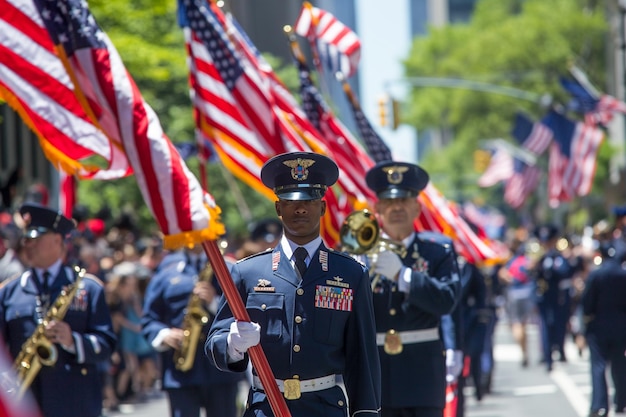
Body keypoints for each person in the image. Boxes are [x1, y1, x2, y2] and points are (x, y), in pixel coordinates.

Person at [206, 151, 381, 417]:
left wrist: (366, 413)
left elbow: (363, 358)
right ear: (278, 209)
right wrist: (233, 344)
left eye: (310, 200)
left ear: (322, 208)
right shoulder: (247, 272)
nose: (300, 208)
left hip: (325, 409)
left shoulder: (350, 274)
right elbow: (214, 343)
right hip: (266, 408)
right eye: (290, 201)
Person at [363, 161, 461, 417]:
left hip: (423, 374)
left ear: (417, 207)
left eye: (405, 200)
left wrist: (402, 275)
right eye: (389, 201)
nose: (397, 207)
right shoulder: (360, 255)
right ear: (377, 208)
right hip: (376, 375)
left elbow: (447, 300)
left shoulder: (438, 250)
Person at [0, 203, 116, 417]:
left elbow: (106, 344)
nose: (28, 244)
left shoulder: (88, 288)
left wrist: (73, 341)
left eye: (36, 238)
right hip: (27, 403)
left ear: (58, 240)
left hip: (75, 403)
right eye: (26, 239)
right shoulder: (8, 291)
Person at [142, 245, 244, 417]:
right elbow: (149, 319)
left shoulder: (231, 269)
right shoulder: (166, 272)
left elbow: (244, 315)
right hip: (180, 372)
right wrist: (164, 335)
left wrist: (215, 302)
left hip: (221, 371)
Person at [581, 240, 626, 417]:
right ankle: (621, 401)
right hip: (622, 325)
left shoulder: (596, 275)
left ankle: (599, 405)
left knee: (598, 366)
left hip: (599, 325)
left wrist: (587, 317)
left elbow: (587, 301)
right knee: (620, 364)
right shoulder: (623, 275)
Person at [531, 224, 577, 372]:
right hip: (544, 296)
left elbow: (565, 272)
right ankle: (548, 357)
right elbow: (530, 273)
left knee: (559, 325)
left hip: (558, 296)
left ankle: (559, 350)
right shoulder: (539, 257)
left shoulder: (558, 257)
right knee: (545, 326)